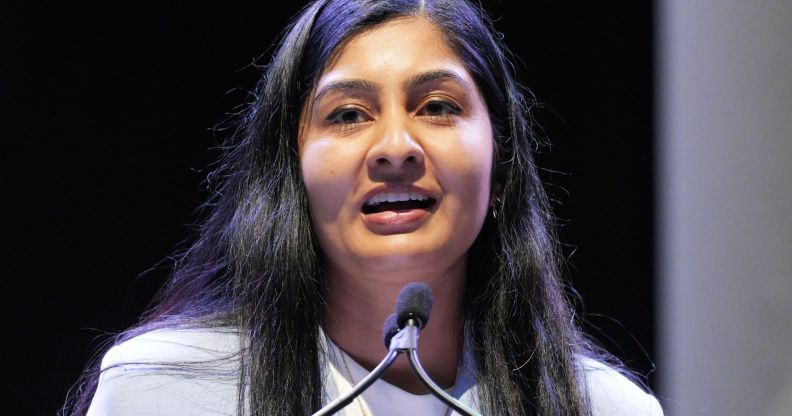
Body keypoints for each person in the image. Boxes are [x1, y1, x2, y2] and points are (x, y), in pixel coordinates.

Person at [62, 1, 663, 415]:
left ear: (501, 165)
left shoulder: (604, 408)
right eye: (348, 115)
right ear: (291, 170)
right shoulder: (160, 393)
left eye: (437, 107)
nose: (395, 147)